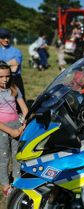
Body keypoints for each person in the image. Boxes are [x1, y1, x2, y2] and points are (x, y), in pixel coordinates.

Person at [0, 61, 28, 197]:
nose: (5, 79)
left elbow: (24, 108)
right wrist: (11, 131)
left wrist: (24, 124)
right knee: (3, 158)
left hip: (17, 126)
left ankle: (17, 182)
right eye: (1, 77)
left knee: (18, 156)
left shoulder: (14, 88)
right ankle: (5, 185)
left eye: (7, 76)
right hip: (2, 130)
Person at [0, 28, 26, 100]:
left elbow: (15, 67)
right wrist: (9, 64)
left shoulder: (16, 51)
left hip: (14, 78)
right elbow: (11, 65)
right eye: (3, 37)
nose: (6, 40)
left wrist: (2, 64)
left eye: (7, 37)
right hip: (1, 79)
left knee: (18, 99)